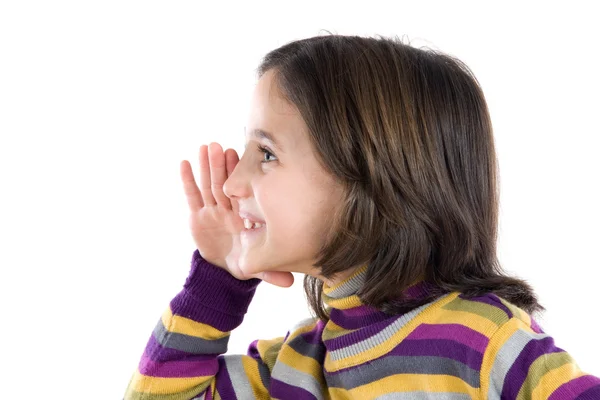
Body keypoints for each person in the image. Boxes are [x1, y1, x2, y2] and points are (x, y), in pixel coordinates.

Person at [123, 34, 600, 399]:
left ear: (372, 176)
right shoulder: (293, 366)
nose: (231, 184)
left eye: (266, 153)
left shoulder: (481, 339)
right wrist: (218, 279)